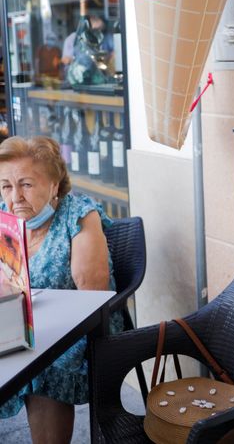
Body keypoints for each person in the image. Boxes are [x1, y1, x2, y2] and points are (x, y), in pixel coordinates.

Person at [0, 136, 122, 444]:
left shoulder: (79, 214)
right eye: (6, 186)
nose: (15, 197)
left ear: (54, 184)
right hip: (19, 321)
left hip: (78, 329)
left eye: (26, 184)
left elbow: (92, 294)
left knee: (39, 364)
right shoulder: (5, 218)